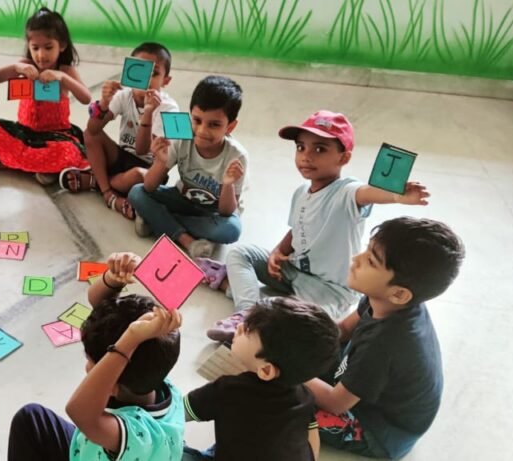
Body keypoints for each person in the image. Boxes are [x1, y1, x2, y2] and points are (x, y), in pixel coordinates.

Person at [206, 110, 431, 341]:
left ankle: (235, 289)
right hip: (294, 270)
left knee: (297, 322)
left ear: (344, 158)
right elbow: (297, 228)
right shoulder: (302, 192)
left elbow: (368, 193)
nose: (306, 156)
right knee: (241, 254)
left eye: (320, 149)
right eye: (301, 147)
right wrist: (278, 252)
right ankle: (246, 313)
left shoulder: (346, 191)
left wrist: (396, 196)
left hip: (331, 289)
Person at [304, 217, 464, 459]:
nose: (355, 260)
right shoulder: (384, 298)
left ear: (399, 293)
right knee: (297, 348)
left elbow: (336, 403)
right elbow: (342, 330)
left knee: (284, 402)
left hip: (379, 430)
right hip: (361, 384)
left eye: (370, 261)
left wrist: (288, 367)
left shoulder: (386, 344)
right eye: (366, 251)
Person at [8, 252, 184, 460]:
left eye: (91, 362)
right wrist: (112, 280)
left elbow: (79, 412)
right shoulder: (152, 373)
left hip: (99, 450)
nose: (88, 367)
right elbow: (102, 315)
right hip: (90, 449)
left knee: (30, 421)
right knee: (31, 419)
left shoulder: (138, 434)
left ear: (112, 385)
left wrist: (129, 340)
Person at [183, 297, 340, 460]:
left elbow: (176, 413)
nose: (239, 326)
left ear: (266, 370)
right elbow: (312, 433)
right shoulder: (304, 397)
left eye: (248, 330)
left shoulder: (229, 390)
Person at [129, 76, 247, 258]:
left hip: (212, 210)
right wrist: (160, 161)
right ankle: (187, 240)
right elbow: (149, 187)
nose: (202, 131)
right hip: (181, 199)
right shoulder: (181, 137)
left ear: (230, 126)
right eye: (197, 120)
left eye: (214, 125)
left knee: (231, 229)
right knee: (136, 192)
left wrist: (228, 184)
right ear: (190, 115)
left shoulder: (236, 155)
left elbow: (226, 211)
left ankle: (159, 222)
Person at [0, 7, 92, 185]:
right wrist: (16, 68)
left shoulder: (65, 70)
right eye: (35, 48)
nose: (41, 55)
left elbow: (86, 98)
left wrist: (63, 78)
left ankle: (34, 166)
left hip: (54, 137)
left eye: (48, 47)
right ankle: (25, 164)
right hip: (23, 132)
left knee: (69, 152)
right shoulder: (26, 65)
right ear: (28, 46)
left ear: (62, 45)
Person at [61, 42, 178, 221]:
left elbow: (141, 150)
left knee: (138, 175)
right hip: (121, 157)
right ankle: (109, 194)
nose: (146, 80)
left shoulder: (168, 108)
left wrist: (147, 113)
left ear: (166, 80)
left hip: (149, 170)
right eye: (140, 71)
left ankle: (96, 181)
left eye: (154, 74)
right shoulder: (125, 95)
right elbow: (93, 130)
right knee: (89, 135)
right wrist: (103, 104)